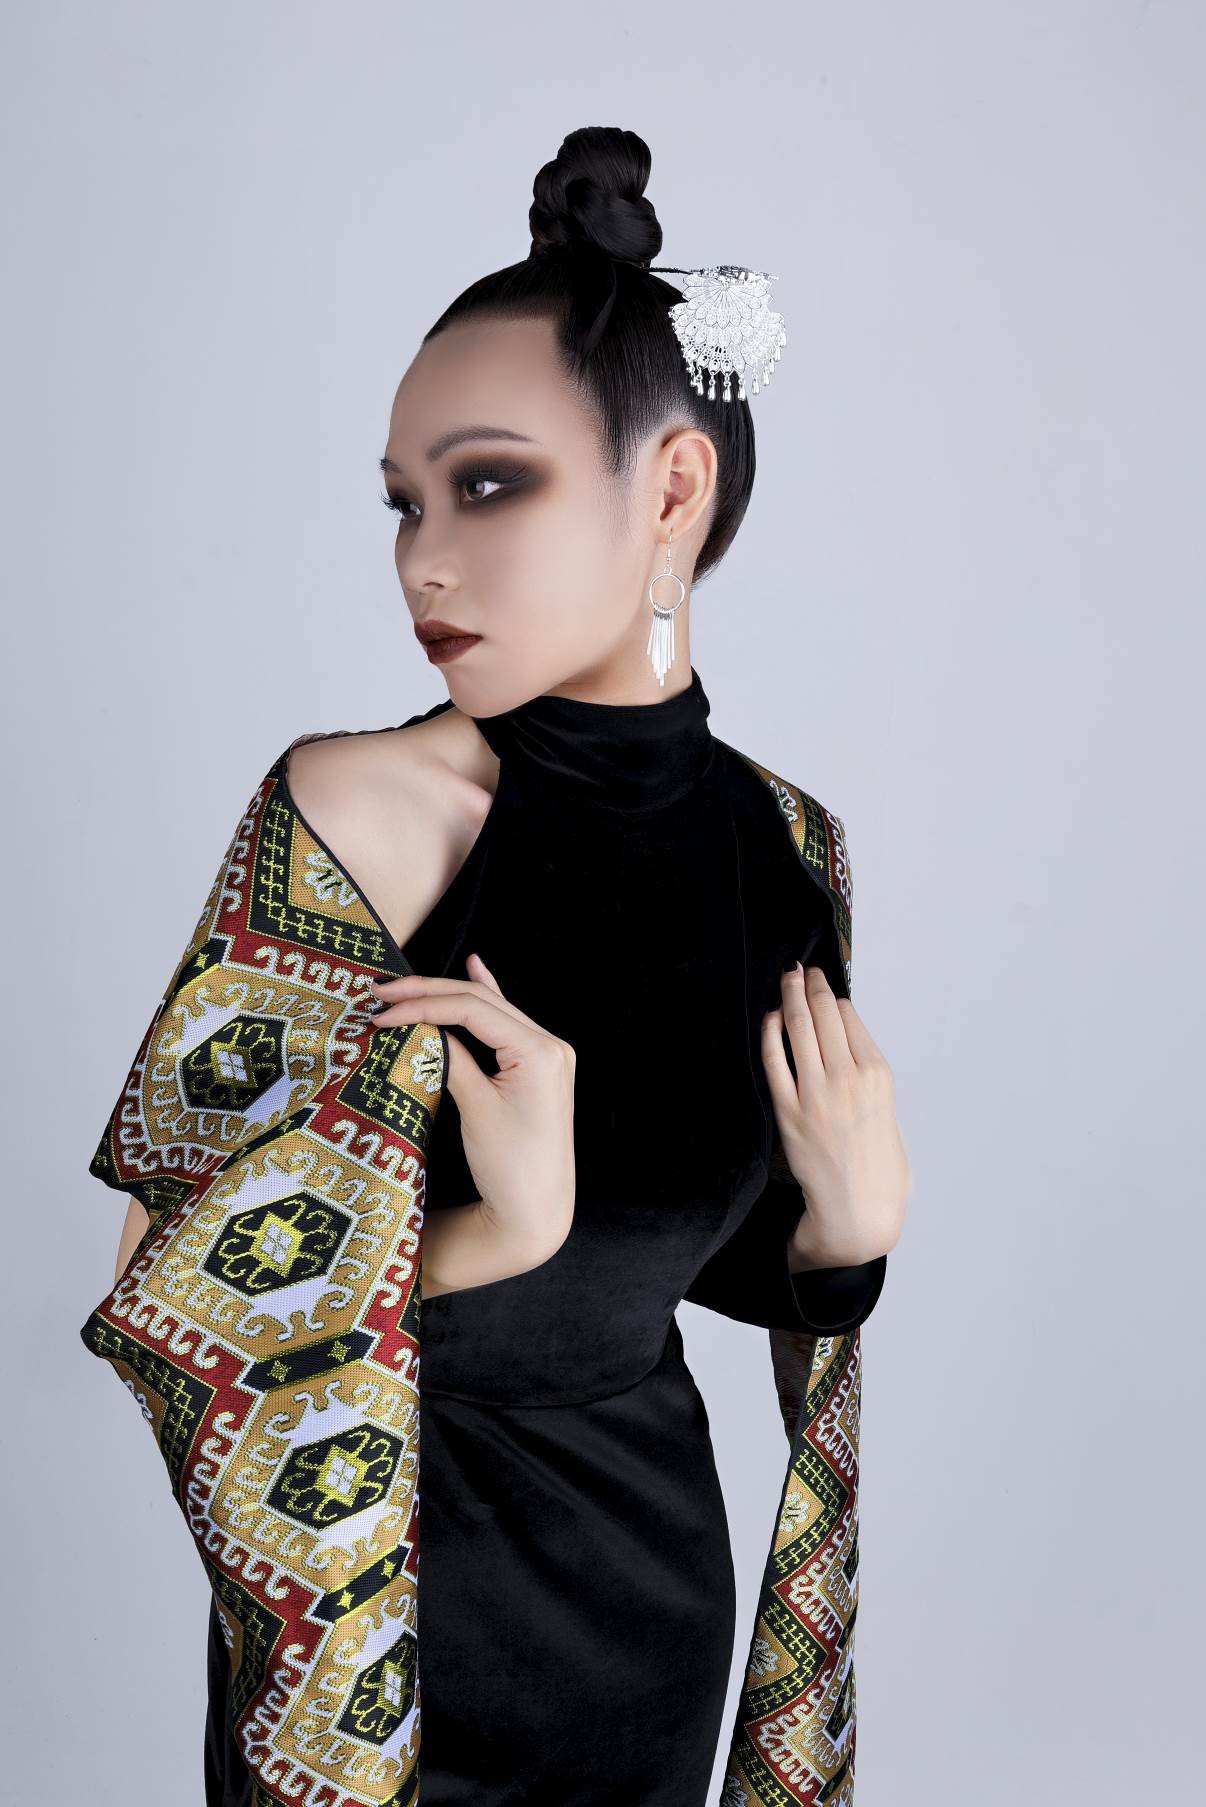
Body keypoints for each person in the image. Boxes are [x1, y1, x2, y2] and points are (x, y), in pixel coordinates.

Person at [99, 126, 910, 1807]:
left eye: (485, 484)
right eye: (405, 502)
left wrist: (844, 1239)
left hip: (647, 1603)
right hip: (382, 1629)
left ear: (670, 488)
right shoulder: (358, 814)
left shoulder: (790, 851)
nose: (422, 557)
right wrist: (496, 1229)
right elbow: (166, 1295)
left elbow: (696, 1259)